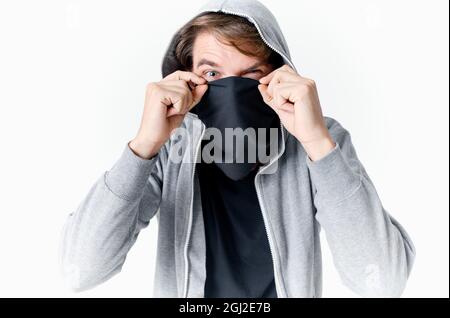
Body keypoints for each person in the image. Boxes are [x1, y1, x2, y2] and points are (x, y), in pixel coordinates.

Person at [60, 0, 415, 298]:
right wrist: (143, 147)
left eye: (251, 73)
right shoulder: (169, 144)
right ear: (186, 78)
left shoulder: (319, 138)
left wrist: (318, 144)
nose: (231, 90)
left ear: (279, 75)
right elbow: (79, 270)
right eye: (212, 75)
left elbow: (382, 280)